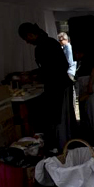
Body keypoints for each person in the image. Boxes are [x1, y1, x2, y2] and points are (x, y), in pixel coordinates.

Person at [18, 22, 73, 152]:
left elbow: (54, 67)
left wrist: (34, 75)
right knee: (58, 119)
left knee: (57, 119)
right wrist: (34, 73)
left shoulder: (45, 45)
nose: (27, 42)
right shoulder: (50, 42)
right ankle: (61, 145)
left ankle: (59, 147)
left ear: (31, 35)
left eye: (27, 39)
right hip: (58, 84)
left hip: (58, 86)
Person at [74, 46, 94, 132]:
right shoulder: (81, 62)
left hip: (91, 85)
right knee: (89, 111)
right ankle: (93, 129)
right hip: (87, 84)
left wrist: (90, 86)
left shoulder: (88, 59)